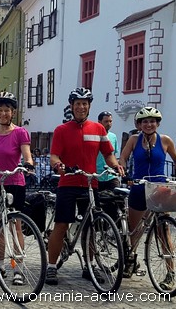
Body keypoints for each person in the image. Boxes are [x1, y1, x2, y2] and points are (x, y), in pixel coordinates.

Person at [46, 87, 124, 286]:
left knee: (92, 226)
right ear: (72, 106)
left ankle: (89, 266)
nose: (81, 107)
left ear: (89, 106)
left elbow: (108, 153)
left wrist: (115, 165)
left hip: (91, 183)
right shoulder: (62, 130)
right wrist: (58, 165)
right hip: (68, 183)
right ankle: (51, 267)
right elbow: (54, 155)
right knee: (62, 225)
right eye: (77, 104)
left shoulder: (98, 129)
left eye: (84, 104)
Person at [119, 107, 176, 285]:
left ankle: (170, 272)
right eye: (144, 121)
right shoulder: (133, 139)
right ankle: (131, 260)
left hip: (159, 189)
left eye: (152, 121)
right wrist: (123, 172)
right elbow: (123, 157)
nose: (148, 124)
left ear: (157, 123)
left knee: (164, 231)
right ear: (139, 125)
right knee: (135, 230)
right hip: (138, 187)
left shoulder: (165, 140)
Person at [0, 92, 33, 284]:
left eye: (7, 110)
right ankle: (0, 267)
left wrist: (28, 163)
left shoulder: (20, 132)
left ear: (12, 112)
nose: (3, 114)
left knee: (15, 225)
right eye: (0, 110)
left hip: (15, 183)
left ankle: (17, 268)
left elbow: (27, 155)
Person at [96, 111, 120, 191]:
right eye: (106, 121)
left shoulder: (113, 136)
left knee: (117, 198)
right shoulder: (94, 136)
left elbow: (114, 155)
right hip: (97, 176)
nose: (109, 123)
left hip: (111, 175)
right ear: (99, 122)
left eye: (110, 121)